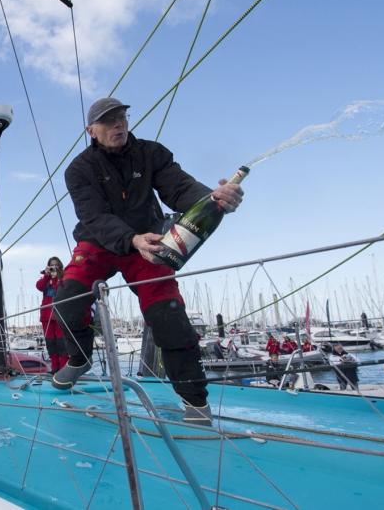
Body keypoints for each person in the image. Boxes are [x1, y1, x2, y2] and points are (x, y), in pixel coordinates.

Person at [50, 97, 244, 426]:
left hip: (150, 241)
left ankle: (195, 402)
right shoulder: (78, 170)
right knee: (67, 301)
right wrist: (131, 240)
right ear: (91, 131)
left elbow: (179, 187)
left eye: (122, 117)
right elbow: (94, 216)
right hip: (100, 240)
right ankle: (80, 358)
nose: (118, 124)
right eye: (109, 121)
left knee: (168, 315)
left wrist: (212, 201)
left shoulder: (151, 153)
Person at [36, 257, 67, 373]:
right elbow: (39, 287)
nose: (54, 267)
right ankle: (55, 367)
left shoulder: (63, 279)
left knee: (61, 342)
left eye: (56, 265)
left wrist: (55, 278)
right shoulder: (45, 278)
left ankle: (63, 367)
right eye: (51, 265)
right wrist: (47, 276)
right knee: (50, 342)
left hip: (59, 314)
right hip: (46, 315)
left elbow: (61, 289)